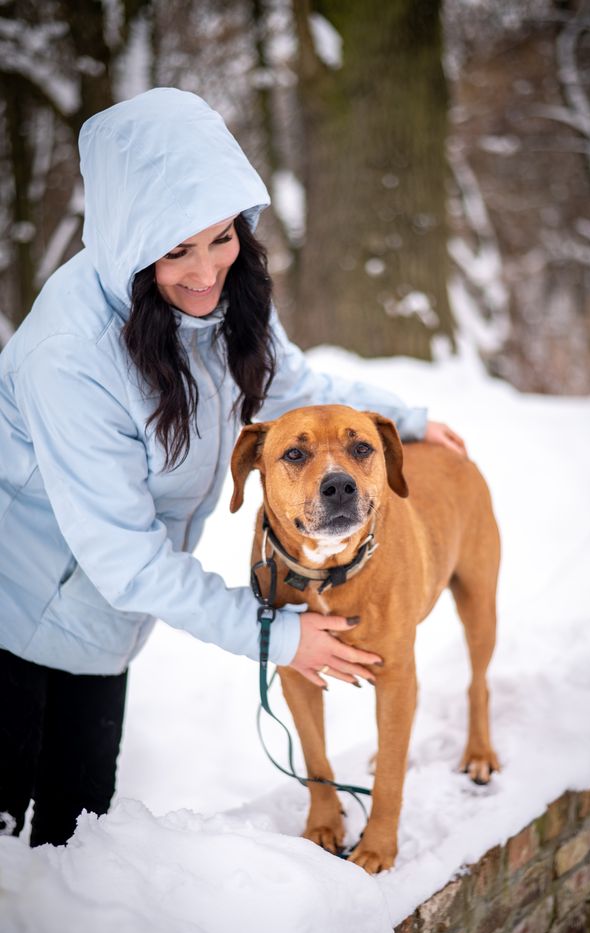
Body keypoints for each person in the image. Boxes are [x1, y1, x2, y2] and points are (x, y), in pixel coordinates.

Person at [0, 88, 466, 848]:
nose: (205, 270)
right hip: (15, 611)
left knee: (74, 839)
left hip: (96, 621)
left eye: (220, 238)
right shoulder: (72, 358)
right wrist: (278, 637)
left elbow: (298, 389)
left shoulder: (223, 301)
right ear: (127, 244)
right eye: (175, 250)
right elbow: (125, 557)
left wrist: (404, 421)